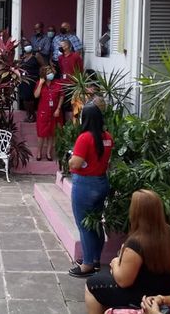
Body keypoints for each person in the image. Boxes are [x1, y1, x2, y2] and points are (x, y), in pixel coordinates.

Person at [85, 190, 170, 314]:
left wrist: (115, 263)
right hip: (167, 291)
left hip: (144, 297)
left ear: (136, 213)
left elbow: (123, 281)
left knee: (92, 284)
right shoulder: (169, 232)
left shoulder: (137, 243)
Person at [67, 102, 114, 278]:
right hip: (101, 182)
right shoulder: (107, 136)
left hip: (85, 184)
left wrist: (70, 159)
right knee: (95, 222)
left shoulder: (85, 138)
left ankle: (86, 264)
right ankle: (94, 259)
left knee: (84, 224)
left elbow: (76, 163)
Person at [33, 65, 64, 160]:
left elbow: (62, 96)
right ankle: (39, 153)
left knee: (52, 134)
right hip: (43, 112)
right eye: (48, 73)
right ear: (44, 75)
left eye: (51, 72)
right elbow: (36, 95)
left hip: (55, 112)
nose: (50, 74)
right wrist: (41, 84)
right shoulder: (39, 83)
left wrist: (58, 108)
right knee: (41, 134)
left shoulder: (58, 83)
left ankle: (48, 153)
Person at [19, 41, 40, 122]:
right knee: (24, 98)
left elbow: (43, 66)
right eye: (25, 45)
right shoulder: (23, 57)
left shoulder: (36, 56)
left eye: (28, 45)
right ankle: (28, 114)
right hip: (24, 79)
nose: (27, 46)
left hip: (32, 80)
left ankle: (33, 115)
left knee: (30, 98)